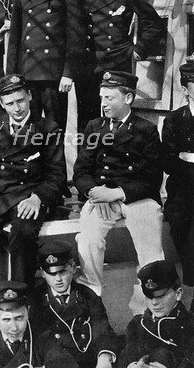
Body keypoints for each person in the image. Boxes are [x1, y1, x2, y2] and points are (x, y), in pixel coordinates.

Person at [74, 71, 164, 314]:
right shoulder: (94, 126)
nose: (103, 104)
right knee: (88, 240)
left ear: (128, 99)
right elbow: (80, 171)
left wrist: (117, 194)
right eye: (102, 97)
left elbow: (152, 178)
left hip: (135, 197)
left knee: (150, 247)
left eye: (110, 98)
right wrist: (94, 192)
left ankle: (148, 307)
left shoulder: (146, 130)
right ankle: (93, 299)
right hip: (100, 196)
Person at [0, 75, 66, 287]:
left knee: (23, 234)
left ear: (29, 96)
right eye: (10, 103)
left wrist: (38, 197)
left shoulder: (47, 128)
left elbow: (57, 175)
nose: (17, 108)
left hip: (28, 196)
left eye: (20, 100)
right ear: (1, 104)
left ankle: (21, 293)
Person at [77, 0, 163, 132]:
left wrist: (138, 52)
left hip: (118, 64)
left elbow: (153, 24)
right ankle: (88, 161)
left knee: (117, 121)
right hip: (90, 66)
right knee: (87, 123)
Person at [6, 0, 84, 130]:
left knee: (55, 126)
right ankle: (29, 160)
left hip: (54, 75)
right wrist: (11, 76)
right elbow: (15, 40)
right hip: (27, 73)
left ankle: (55, 161)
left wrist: (68, 73)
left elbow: (74, 38)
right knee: (27, 126)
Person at [31, 240, 118, 368]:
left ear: (72, 267)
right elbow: (42, 342)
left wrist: (104, 356)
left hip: (91, 361)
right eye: (52, 273)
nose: (58, 279)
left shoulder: (87, 295)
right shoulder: (36, 300)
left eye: (62, 271)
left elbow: (102, 329)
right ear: (43, 273)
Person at [162, 61, 194, 309]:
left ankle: (191, 286)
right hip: (182, 190)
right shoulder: (174, 119)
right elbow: (169, 162)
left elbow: (180, 157)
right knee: (177, 217)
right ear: (185, 89)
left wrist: (189, 157)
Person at [120, 260, 194, 367]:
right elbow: (126, 356)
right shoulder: (137, 323)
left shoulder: (190, 324)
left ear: (178, 294)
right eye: (150, 297)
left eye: (161, 296)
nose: (154, 302)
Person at [0, 281, 46, 367]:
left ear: (27, 312)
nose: (14, 328)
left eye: (19, 318)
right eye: (6, 319)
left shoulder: (42, 335)